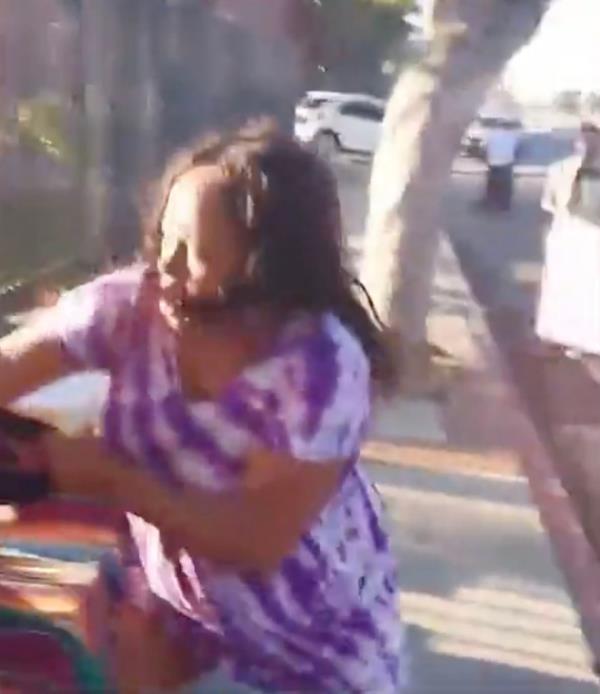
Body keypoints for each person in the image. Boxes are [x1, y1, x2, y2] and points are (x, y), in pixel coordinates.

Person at [0, 121, 408, 693]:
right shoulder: (127, 311)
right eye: (164, 239)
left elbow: (255, 540)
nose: (163, 267)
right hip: (181, 615)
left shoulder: (320, 369)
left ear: (265, 272)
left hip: (314, 646)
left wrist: (114, 479)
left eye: (193, 252)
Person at [535, 114, 600, 357]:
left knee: (578, 288)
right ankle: (566, 337)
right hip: (570, 233)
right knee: (569, 287)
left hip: (574, 234)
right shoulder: (561, 168)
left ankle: (572, 338)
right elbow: (550, 206)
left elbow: (548, 206)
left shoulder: (561, 168)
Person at [484, 121, 519, 210]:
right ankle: (504, 205)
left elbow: (486, 148)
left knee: (493, 184)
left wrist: (487, 159)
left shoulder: (491, 135)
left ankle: (491, 203)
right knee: (506, 185)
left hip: (493, 162)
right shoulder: (512, 136)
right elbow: (516, 149)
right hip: (506, 163)